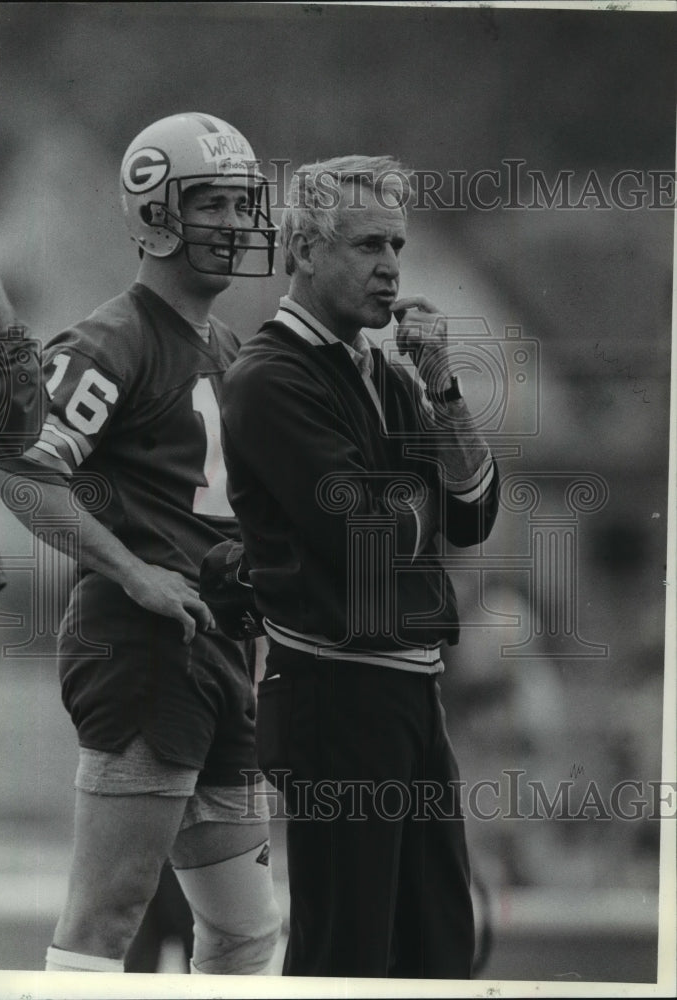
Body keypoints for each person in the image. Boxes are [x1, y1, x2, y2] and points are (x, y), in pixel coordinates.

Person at [0, 112, 282, 975]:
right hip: (144, 652)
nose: (234, 224)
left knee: (244, 930)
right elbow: (15, 466)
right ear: (154, 214)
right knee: (107, 919)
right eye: (212, 204)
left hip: (217, 651)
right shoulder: (114, 338)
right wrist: (133, 571)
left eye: (242, 203)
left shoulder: (223, 343)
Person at [220, 155, 500, 978]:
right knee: (346, 956)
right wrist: (412, 497)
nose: (390, 266)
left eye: (398, 247)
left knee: (438, 950)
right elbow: (368, 538)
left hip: (411, 689)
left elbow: (473, 511)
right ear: (303, 249)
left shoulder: (388, 371)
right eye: (368, 243)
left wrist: (443, 390)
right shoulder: (268, 376)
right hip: (333, 692)